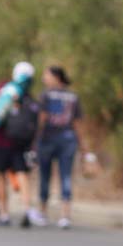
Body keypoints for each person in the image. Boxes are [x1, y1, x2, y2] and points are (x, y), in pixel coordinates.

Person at [34, 65, 88, 229]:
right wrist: (84, 147)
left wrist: (34, 140)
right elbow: (77, 123)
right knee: (66, 176)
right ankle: (65, 216)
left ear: (56, 77)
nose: (44, 78)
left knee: (45, 175)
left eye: (46, 75)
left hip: (47, 139)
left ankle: (43, 213)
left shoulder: (45, 95)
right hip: (68, 139)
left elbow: (41, 119)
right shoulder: (73, 96)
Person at [0, 61, 40, 227]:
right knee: (22, 174)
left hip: (1, 141)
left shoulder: (5, 88)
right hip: (20, 142)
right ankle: (26, 209)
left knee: (1, 176)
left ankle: (4, 213)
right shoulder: (29, 95)